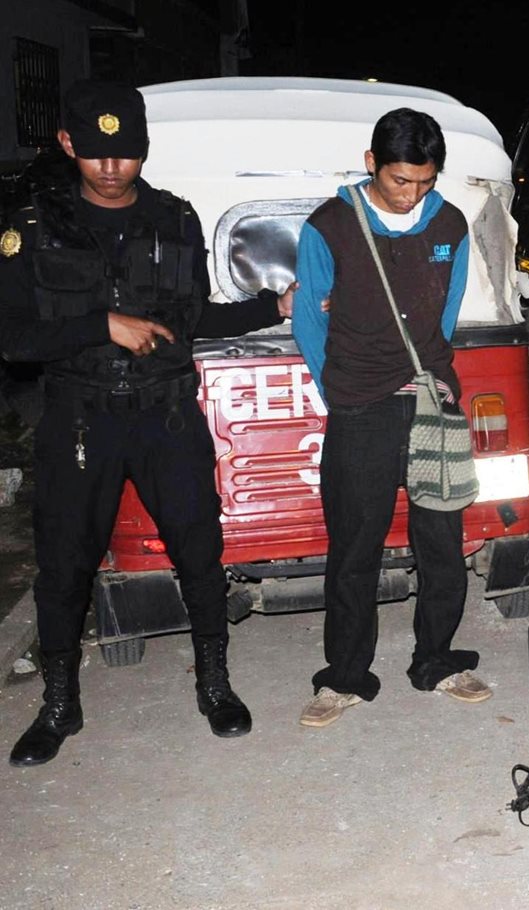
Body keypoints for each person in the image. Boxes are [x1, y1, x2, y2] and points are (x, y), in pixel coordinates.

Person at [0, 81, 293, 766]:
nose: (111, 169)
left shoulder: (174, 219)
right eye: (97, 154)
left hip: (165, 415)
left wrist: (272, 306)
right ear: (69, 145)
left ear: (143, 149)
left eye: (126, 154)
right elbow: (13, 338)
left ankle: (215, 685)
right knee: (64, 569)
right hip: (80, 420)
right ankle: (60, 705)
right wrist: (99, 324)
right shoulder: (35, 225)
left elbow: (188, 321)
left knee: (200, 552)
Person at [291, 107, 490, 728]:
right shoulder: (328, 226)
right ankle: (345, 677)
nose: (412, 195)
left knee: (441, 541)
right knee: (355, 546)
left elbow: (446, 315)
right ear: (372, 163)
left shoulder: (450, 223)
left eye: (425, 183)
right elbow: (308, 322)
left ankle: (438, 661)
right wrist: (345, 391)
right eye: (401, 181)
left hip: (430, 399)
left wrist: (425, 375)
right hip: (360, 407)